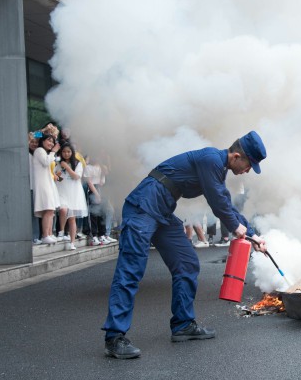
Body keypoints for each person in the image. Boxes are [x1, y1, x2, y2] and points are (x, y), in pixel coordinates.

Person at [102, 131, 268, 359]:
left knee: (187, 263)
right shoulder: (211, 159)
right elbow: (218, 203)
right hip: (143, 206)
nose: (248, 171)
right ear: (237, 156)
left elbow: (226, 203)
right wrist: (237, 228)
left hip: (162, 210)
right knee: (130, 270)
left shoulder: (218, 167)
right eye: (249, 165)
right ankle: (114, 337)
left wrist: (252, 235)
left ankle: (183, 324)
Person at [55, 143, 88, 250]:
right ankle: (61, 232)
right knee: (63, 210)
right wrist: (58, 176)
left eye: (68, 151)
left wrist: (66, 167)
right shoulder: (58, 163)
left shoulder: (77, 163)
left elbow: (76, 177)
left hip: (74, 193)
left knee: (72, 218)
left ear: (72, 152)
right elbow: (58, 179)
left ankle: (72, 242)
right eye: (64, 151)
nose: (66, 154)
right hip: (62, 191)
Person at [32, 134, 61, 244]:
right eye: (49, 140)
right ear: (42, 141)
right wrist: (53, 152)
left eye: (52, 142)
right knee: (48, 209)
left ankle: (49, 233)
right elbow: (45, 162)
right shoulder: (39, 150)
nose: (51, 143)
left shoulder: (45, 152)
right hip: (42, 184)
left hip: (48, 183)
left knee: (50, 210)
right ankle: (45, 235)